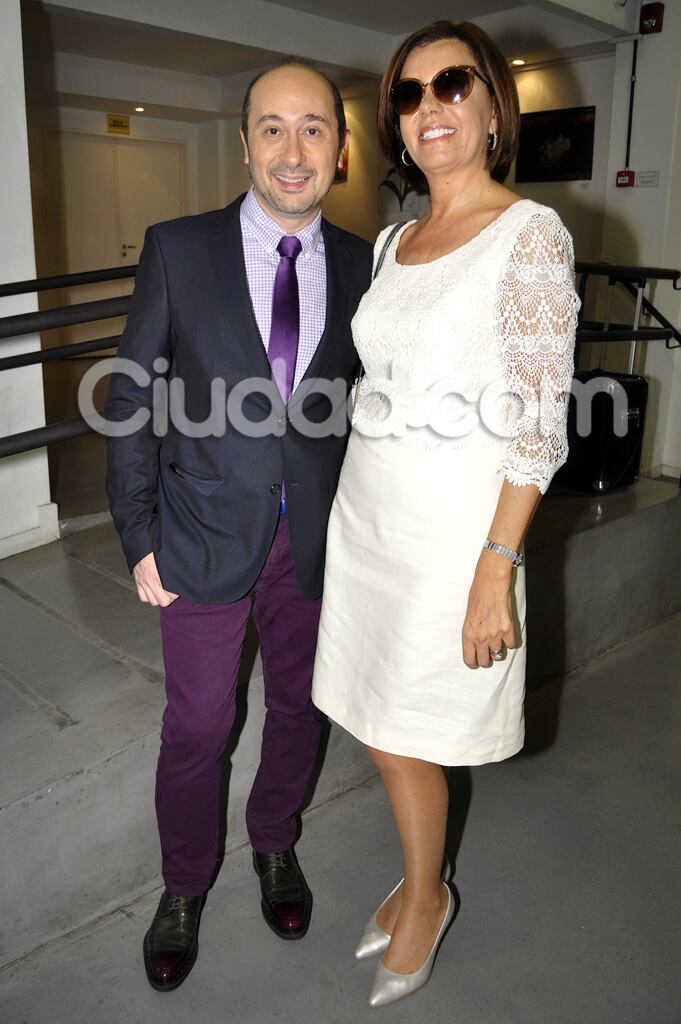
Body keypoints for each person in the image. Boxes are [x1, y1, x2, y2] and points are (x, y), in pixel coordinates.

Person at [311, 20, 579, 1008]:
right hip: (369, 519)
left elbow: (540, 427)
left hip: (449, 539)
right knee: (378, 718)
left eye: (451, 84)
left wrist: (492, 569)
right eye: (410, 96)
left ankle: (427, 897)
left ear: (491, 105)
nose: (429, 109)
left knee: (409, 730)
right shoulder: (394, 238)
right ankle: (419, 875)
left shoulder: (530, 235)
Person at [105, 59, 372, 991]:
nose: (291, 151)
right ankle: (183, 888)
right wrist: (138, 535)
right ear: (245, 141)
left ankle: (272, 847)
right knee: (198, 727)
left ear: (340, 149)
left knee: (299, 707)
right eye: (271, 127)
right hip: (200, 535)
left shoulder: (366, 264)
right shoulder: (178, 249)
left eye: (312, 130)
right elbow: (132, 398)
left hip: (316, 545)